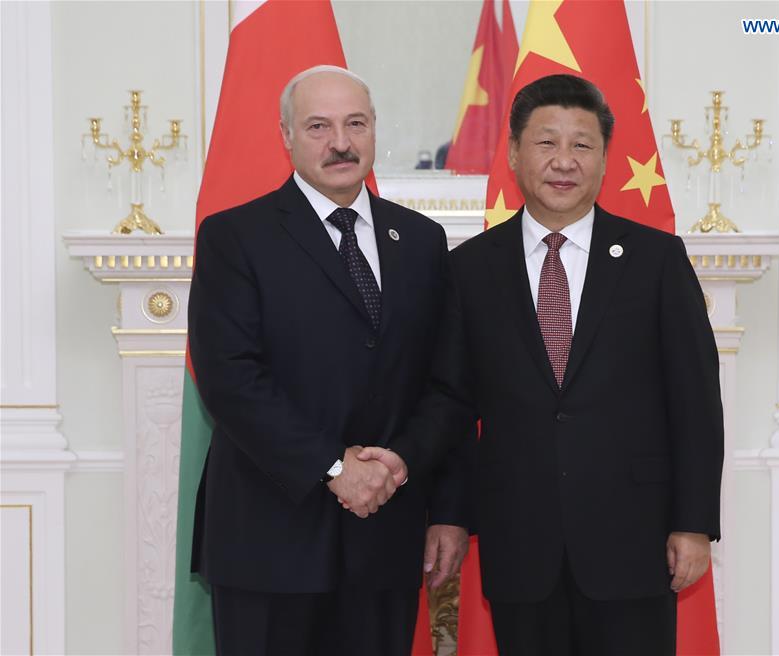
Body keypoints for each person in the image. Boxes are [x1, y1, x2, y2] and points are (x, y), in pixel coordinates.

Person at [371, 74, 724, 655]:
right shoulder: (471, 269)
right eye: (546, 143)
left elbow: (695, 400)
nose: (564, 161)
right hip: (520, 543)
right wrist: (448, 512)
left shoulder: (656, 260)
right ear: (514, 153)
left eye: (582, 145)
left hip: (632, 541)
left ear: (605, 158)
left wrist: (693, 522)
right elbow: (455, 403)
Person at [187, 65, 471, 656]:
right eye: (318, 126)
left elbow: (447, 384)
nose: (340, 143)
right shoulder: (235, 236)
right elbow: (231, 379)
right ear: (286, 135)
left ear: (373, 132)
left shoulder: (421, 240)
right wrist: (337, 469)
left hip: (386, 536)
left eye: (355, 124)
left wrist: (425, 489)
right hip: (269, 539)